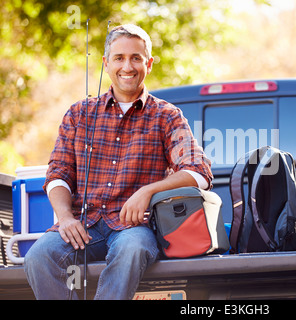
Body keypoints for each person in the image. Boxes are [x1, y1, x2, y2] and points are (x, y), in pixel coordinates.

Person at [24, 24, 213, 300]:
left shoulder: (167, 116)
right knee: (39, 256)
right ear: (106, 63)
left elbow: (199, 172)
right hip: (81, 225)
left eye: (136, 58)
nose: (128, 66)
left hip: (134, 230)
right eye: (119, 58)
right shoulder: (79, 114)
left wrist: (147, 192)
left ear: (148, 63)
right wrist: (65, 218)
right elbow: (58, 175)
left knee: (131, 250)